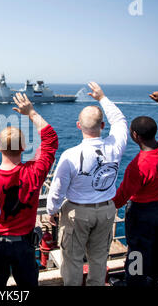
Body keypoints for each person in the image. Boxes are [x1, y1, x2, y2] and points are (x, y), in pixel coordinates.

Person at [46, 82, 128, 286]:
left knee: (72, 260)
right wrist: (102, 98)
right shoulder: (115, 146)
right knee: (99, 259)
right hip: (107, 211)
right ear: (102, 126)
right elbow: (120, 120)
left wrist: (51, 211)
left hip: (77, 213)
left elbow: (56, 191)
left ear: (78, 125)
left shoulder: (70, 155)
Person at [0, 93, 58, 286]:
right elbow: (50, 141)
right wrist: (31, 112)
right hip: (24, 245)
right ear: (23, 147)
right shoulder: (34, 173)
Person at [113, 91, 158, 286]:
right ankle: (155, 278)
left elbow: (121, 197)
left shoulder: (138, 165)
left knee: (137, 250)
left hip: (142, 213)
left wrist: (102, 206)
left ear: (135, 136)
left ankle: (134, 282)